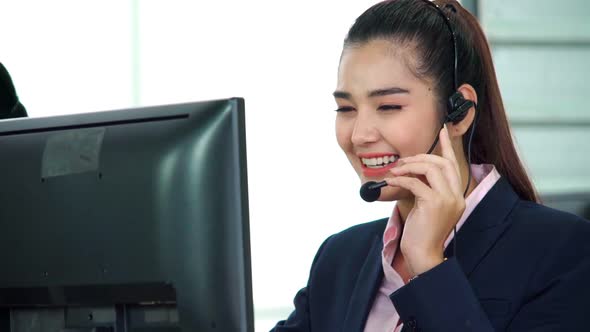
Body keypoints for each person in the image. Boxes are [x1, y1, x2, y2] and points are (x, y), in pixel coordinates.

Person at [271, 0, 590, 331]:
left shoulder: (564, 251)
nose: (360, 135)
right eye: (346, 109)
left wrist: (429, 266)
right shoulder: (339, 258)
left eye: (389, 106)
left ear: (459, 111)